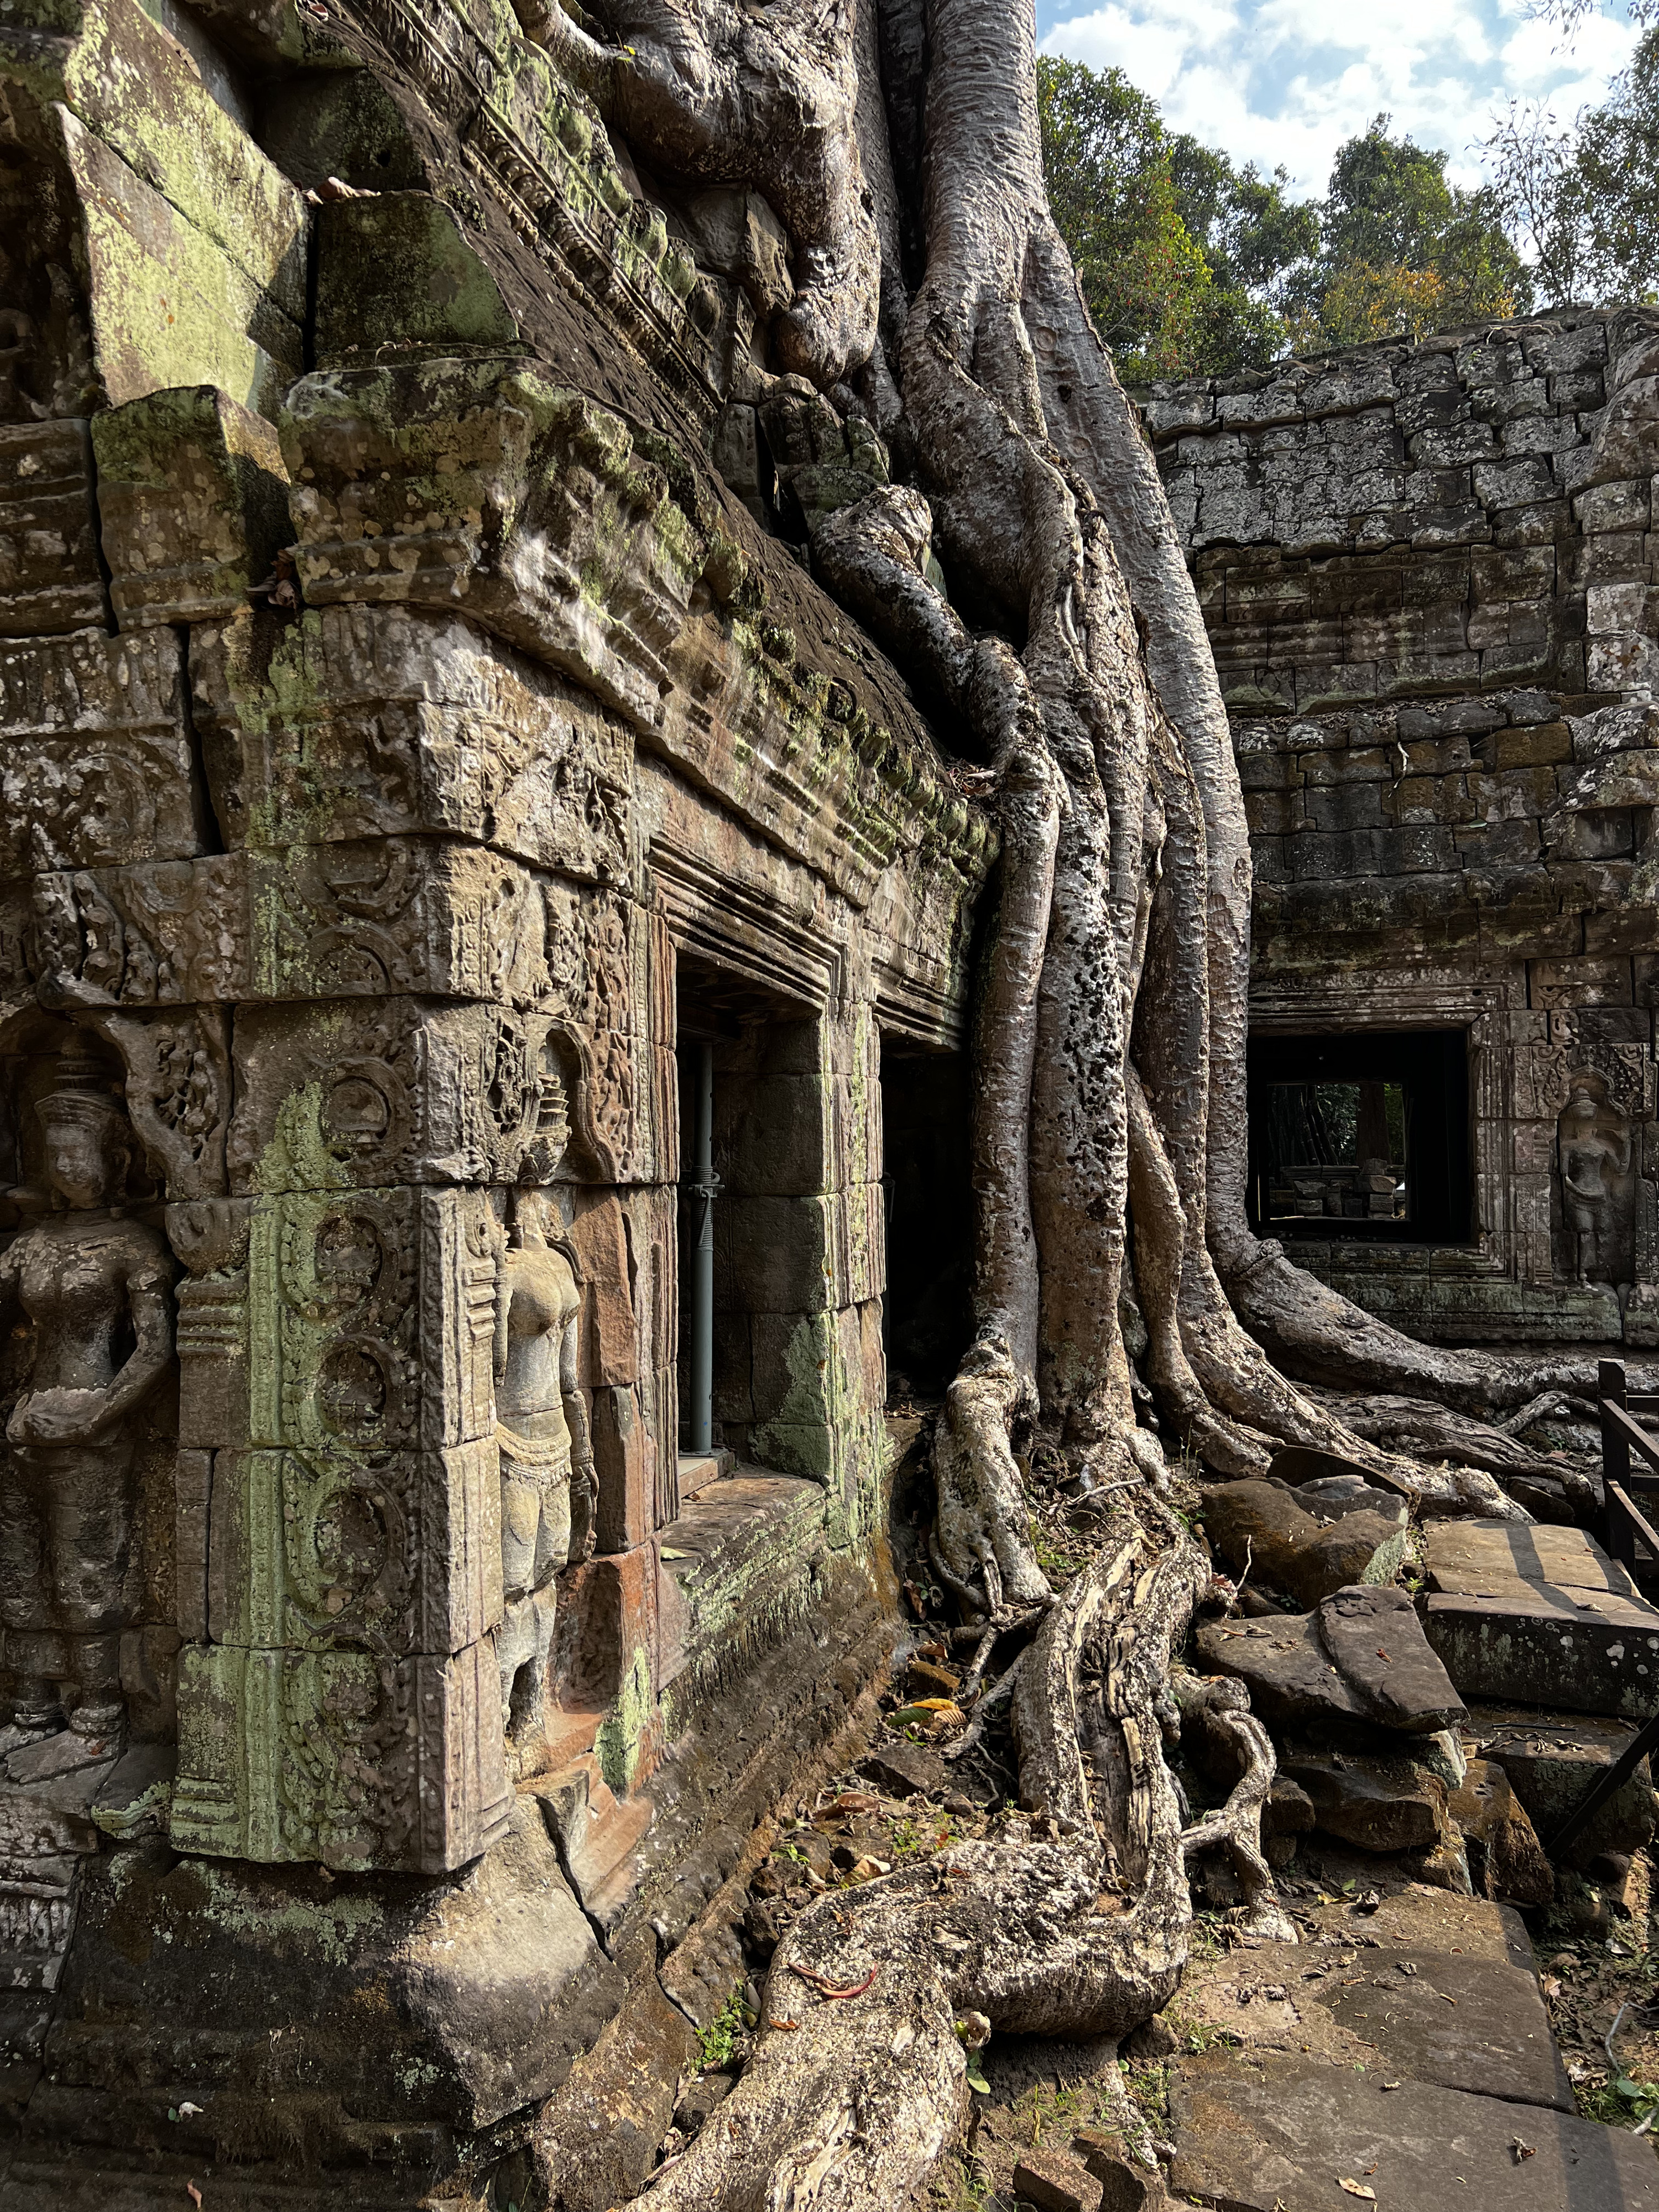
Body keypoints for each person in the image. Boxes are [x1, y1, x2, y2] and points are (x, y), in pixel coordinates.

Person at [0, 1045, 174, 1757]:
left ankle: (99, 1715)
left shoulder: (131, 1246)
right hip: (23, 1424)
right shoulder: (31, 1246)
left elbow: (155, 1350)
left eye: (79, 1154)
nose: (66, 1169)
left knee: (85, 1570)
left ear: (115, 1159)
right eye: (55, 1156)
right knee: (17, 1569)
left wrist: (91, 1414)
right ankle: (32, 1705)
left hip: (93, 1430)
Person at [493, 1183, 595, 1770]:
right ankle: (501, 1718)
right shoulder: (503, 1267)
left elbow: (569, 1379)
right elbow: (494, 1366)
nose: (532, 1204)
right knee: (510, 1580)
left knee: (551, 1562)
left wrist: (583, 1452)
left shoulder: (558, 1265)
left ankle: (530, 1712)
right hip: (510, 1439)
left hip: (554, 1438)